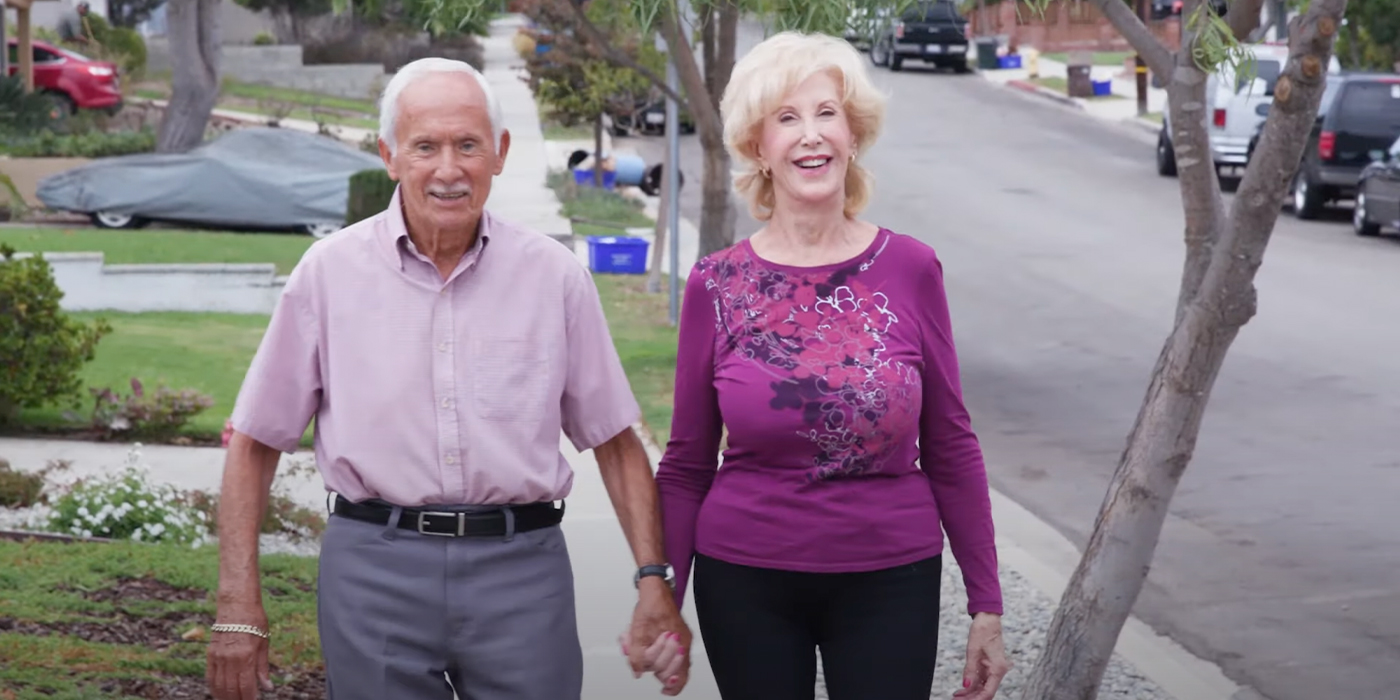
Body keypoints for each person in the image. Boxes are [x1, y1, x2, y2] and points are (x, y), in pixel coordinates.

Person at [205, 57, 690, 700]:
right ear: (390, 155)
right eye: (425, 146)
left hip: (522, 574)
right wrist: (239, 604)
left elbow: (616, 440)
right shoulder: (328, 273)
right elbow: (255, 440)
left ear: (500, 153)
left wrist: (653, 580)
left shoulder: (556, 277)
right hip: (372, 571)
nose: (448, 169)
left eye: (468, 145)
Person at [654, 32, 1012, 700]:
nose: (810, 135)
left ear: (854, 134)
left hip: (890, 575)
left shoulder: (911, 268)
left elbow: (951, 444)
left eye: (826, 113)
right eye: (786, 118)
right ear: (758, 147)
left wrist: (985, 604)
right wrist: (665, 600)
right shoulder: (717, 283)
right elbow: (686, 463)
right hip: (746, 576)